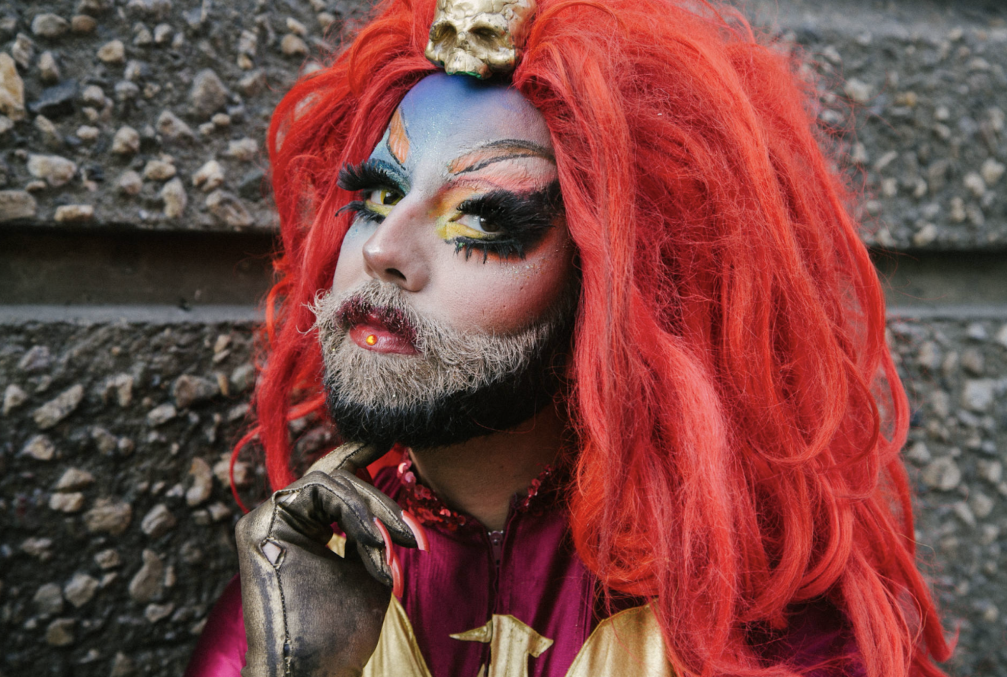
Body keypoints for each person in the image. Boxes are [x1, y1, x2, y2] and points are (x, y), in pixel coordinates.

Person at [185, 0, 954, 675]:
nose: (385, 248)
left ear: (619, 288)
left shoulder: (751, 622)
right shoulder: (296, 582)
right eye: (380, 194)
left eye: (482, 219)